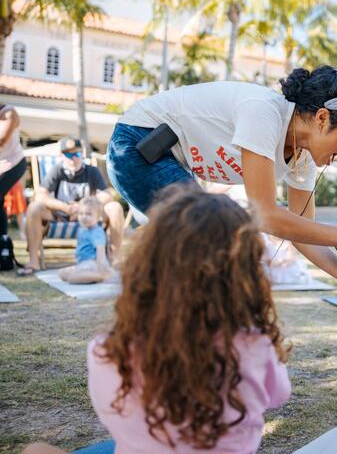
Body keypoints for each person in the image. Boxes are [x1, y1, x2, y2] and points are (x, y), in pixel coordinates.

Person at [23, 187, 290, 454]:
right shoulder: (257, 345)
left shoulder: (106, 350)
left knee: (36, 451)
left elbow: (112, 416)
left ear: (148, 264)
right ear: (245, 275)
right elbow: (278, 395)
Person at [107, 66, 337, 289]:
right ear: (321, 118)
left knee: (205, 252)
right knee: (207, 241)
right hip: (139, 142)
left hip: (172, 162)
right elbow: (263, 215)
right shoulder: (264, 112)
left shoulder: (302, 157)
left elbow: (304, 235)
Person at [20, 137, 124, 275]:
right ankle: (33, 261)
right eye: (69, 154)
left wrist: (83, 206)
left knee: (115, 207)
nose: (73, 158)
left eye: (77, 154)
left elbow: (107, 194)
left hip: (89, 217)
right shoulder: (57, 170)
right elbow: (40, 195)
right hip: (61, 216)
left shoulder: (92, 171)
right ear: (61, 155)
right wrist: (65, 208)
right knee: (34, 207)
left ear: (83, 154)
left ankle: (115, 257)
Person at [58, 197, 112, 284]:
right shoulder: (83, 229)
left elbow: (100, 249)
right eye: (81, 214)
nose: (84, 217)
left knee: (72, 278)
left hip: (93, 263)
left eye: (88, 214)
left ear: (98, 217)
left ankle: (103, 276)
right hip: (83, 263)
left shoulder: (96, 231)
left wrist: (101, 266)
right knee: (62, 273)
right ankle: (89, 276)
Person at [0, 103, 26, 269]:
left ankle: (3, 243)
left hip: (14, 164)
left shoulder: (9, 113)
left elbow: (2, 139)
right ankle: (3, 242)